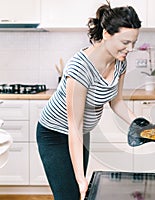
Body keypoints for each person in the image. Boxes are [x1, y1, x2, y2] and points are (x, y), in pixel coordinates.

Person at [36, 2, 142, 200]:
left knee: (78, 194)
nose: (131, 48)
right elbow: (73, 125)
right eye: (125, 42)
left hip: (81, 132)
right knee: (71, 194)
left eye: (133, 42)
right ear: (107, 34)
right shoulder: (80, 69)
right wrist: (80, 178)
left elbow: (116, 102)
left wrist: (141, 125)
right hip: (55, 134)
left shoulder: (120, 62)